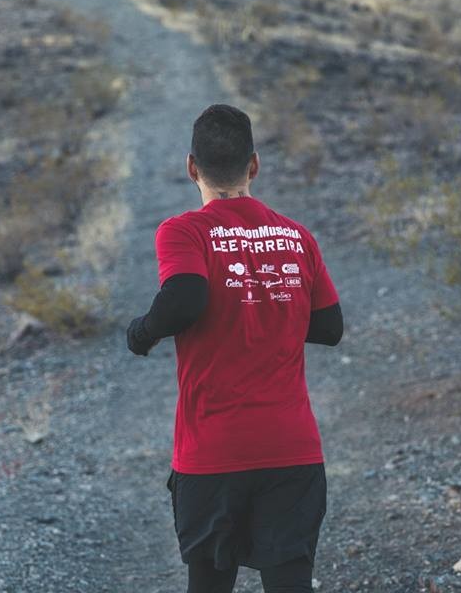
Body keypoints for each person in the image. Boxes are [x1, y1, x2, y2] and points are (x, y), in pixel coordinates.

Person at [126, 104, 343, 593]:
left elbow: (185, 298)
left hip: (213, 453)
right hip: (292, 451)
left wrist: (141, 333)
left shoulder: (184, 231)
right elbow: (329, 326)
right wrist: (268, 308)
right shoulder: (296, 236)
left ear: (191, 167)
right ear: (254, 165)